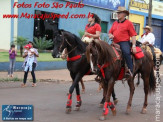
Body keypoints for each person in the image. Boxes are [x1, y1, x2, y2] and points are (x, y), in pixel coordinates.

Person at [108, 6, 137, 76]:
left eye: (120, 13)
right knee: (106, 51)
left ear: (124, 14)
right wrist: (110, 35)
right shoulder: (115, 23)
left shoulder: (129, 23)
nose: (118, 14)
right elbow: (110, 32)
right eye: (117, 13)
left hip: (124, 42)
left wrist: (133, 46)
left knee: (126, 52)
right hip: (114, 42)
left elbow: (133, 35)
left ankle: (130, 70)